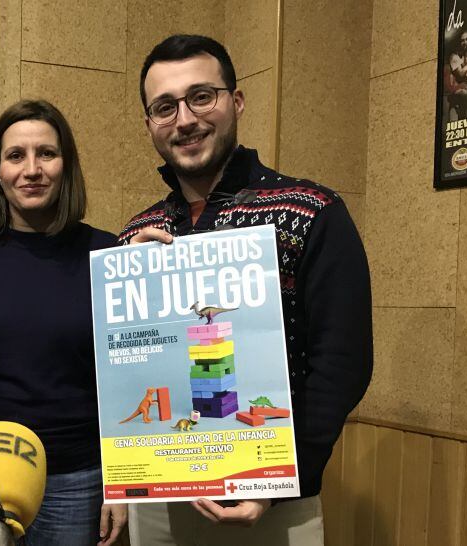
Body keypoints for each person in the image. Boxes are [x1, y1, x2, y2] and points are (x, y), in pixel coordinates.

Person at [119, 35, 372, 545]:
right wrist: (129, 283)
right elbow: (120, 369)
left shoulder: (309, 211)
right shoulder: (136, 233)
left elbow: (343, 361)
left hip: (274, 505)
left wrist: (279, 482)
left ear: (236, 101)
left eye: (201, 96)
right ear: (149, 125)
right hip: (159, 503)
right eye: (164, 107)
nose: (185, 119)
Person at [0, 99, 127, 546]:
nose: (32, 169)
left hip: (72, 478)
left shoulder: (108, 254)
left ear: (66, 166)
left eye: (47, 154)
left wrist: (123, 482)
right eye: (16, 155)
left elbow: (123, 381)